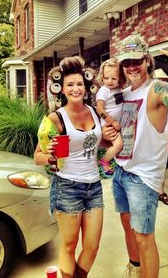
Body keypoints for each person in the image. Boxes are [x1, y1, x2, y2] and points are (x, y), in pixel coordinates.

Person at [103, 34, 168, 278]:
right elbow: (124, 133)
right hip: (121, 171)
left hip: (143, 178)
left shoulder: (158, 89)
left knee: (144, 237)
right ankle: (134, 269)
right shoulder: (123, 94)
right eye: (126, 62)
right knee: (127, 226)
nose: (131, 67)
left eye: (136, 60)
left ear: (147, 60)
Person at [34, 56, 104, 278]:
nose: (76, 89)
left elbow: (95, 142)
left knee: (92, 247)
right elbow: (38, 156)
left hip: (94, 186)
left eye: (79, 84)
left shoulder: (94, 112)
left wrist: (110, 139)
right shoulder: (55, 118)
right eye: (70, 85)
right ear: (62, 89)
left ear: (86, 86)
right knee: (69, 245)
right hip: (67, 186)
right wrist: (51, 157)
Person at [96, 58, 126, 176]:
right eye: (106, 78)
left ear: (120, 78)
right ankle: (104, 161)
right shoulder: (104, 91)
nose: (109, 81)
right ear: (102, 77)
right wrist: (112, 122)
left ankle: (114, 161)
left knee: (119, 145)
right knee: (119, 145)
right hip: (108, 124)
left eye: (114, 78)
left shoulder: (119, 89)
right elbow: (99, 108)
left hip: (116, 124)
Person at [153, 68, 168, 206]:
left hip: (162, 136)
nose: (162, 82)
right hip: (148, 136)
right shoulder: (148, 95)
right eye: (159, 80)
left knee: (161, 163)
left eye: (164, 80)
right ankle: (151, 190)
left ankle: (161, 192)